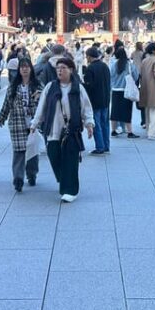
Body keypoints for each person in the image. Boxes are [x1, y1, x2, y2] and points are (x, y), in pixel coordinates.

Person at [30, 58, 94, 202]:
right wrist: (34, 124)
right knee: (54, 156)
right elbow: (42, 107)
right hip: (53, 130)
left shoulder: (77, 88)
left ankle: (70, 190)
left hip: (72, 130)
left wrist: (89, 124)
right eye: (58, 68)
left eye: (63, 67)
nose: (60, 70)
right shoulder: (50, 87)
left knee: (71, 161)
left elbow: (86, 108)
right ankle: (64, 179)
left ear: (71, 70)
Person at [0, 58, 43, 191]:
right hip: (17, 122)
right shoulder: (13, 86)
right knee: (18, 151)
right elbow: (7, 103)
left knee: (32, 151)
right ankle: (18, 178)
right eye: (22, 67)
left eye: (27, 66)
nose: (24, 69)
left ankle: (32, 174)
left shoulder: (38, 84)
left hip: (34, 123)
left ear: (31, 68)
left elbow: (45, 101)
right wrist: (2, 117)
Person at [83, 47, 111, 154]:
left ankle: (100, 146)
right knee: (105, 123)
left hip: (95, 100)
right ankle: (106, 145)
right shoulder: (105, 66)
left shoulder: (90, 69)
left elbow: (89, 86)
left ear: (90, 56)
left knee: (96, 123)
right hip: (105, 99)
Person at [109, 47, 140, 139]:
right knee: (127, 111)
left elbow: (110, 76)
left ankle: (113, 130)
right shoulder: (129, 65)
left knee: (114, 112)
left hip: (115, 90)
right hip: (126, 91)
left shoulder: (113, 65)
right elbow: (136, 75)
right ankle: (129, 131)